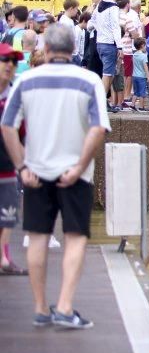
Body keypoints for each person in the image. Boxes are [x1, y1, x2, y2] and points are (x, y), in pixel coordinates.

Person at [1, 23, 111, 329]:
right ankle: (64, 306)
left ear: (45, 50)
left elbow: (7, 126)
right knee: (75, 238)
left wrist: (22, 166)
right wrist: (79, 166)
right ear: (73, 49)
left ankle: (40, 308)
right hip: (75, 174)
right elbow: (98, 128)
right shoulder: (89, 81)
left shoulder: (27, 81)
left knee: (36, 238)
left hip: (36, 172)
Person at [0, 43, 26, 275]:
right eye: (5, 60)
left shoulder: (15, 96)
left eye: (14, 61)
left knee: (7, 217)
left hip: (7, 168)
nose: (10, 65)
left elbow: (24, 133)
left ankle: (4, 259)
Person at [90, 0, 124, 109]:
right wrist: (120, 47)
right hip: (109, 43)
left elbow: (91, 22)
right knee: (107, 74)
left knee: (109, 73)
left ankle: (103, 101)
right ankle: (100, 103)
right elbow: (115, 26)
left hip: (100, 43)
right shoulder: (113, 7)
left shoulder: (100, 5)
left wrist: (96, 29)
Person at [132, 37, 149, 112]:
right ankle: (141, 106)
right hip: (142, 77)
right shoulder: (143, 56)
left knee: (136, 92)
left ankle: (133, 105)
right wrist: (148, 76)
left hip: (134, 76)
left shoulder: (134, 55)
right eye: (145, 45)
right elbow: (145, 67)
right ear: (142, 45)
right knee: (142, 92)